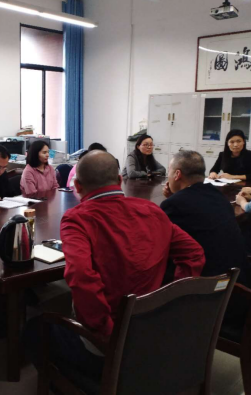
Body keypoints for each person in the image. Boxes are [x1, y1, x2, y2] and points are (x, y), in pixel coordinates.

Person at [24, 151, 205, 383]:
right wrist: (169, 303)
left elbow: (81, 276)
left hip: (109, 347)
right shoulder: (152, 210)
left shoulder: (77, 219)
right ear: (119, 180)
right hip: (153, 328)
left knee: (34, 328)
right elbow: (194, 254)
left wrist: (109, 334)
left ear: (77, 186)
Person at [161, 150, 251, 288]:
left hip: (213, 288)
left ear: (177, 174)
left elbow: (162, 244)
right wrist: (175, 197)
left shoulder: (174, 205)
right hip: (241, 279)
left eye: (169, 171)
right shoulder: (218, 195)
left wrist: (173, 199)